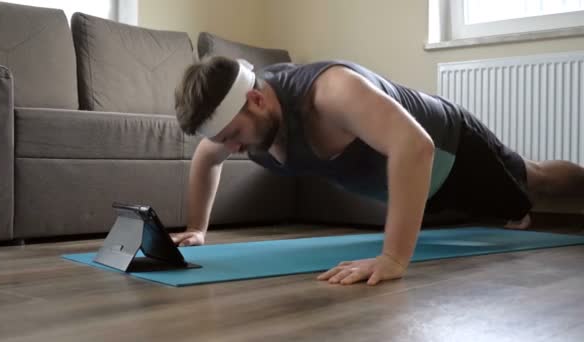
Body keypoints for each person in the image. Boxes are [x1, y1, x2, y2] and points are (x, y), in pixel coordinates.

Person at [170, 56, 584, 286]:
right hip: (423, 185)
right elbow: (206, 159)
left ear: (257, 100)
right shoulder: (239, 125)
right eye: (225, 139)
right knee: (514, 215)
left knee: (535, 183)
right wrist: (198, 228)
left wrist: (392, 259)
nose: (233, 148)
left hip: (453, 148)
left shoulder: (330, 92)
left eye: (234, 135)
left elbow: (415, 146)